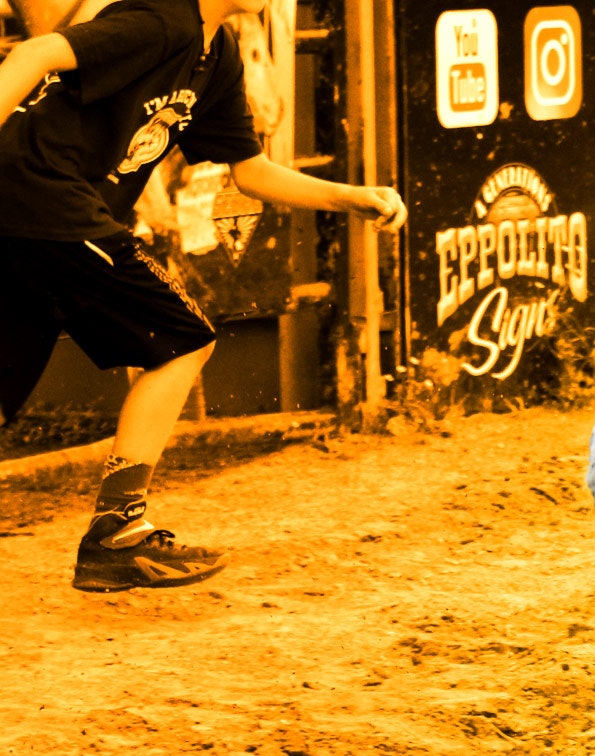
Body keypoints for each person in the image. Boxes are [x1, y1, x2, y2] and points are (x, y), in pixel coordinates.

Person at [0, 0, 408, 592]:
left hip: (36, 209)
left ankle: (115, 536)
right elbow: (36, 52)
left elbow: (251, 172)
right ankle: (117, 531)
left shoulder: (216, 53)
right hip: (42, 194)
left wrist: (354, 197)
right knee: (183, 339)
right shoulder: (162, 18)